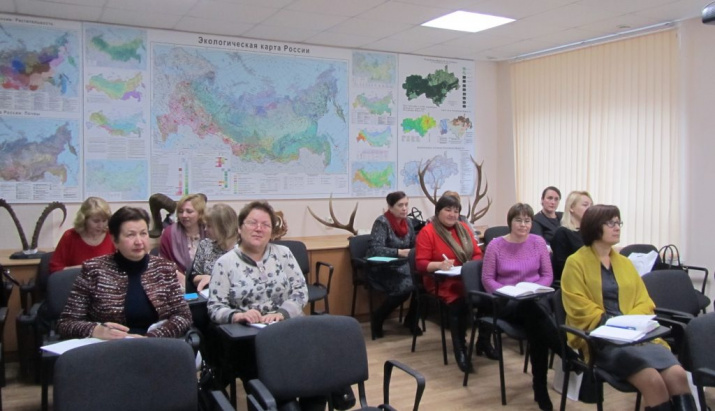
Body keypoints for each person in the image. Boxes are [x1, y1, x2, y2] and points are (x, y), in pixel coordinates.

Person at [561, 205, 696, 411]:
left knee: (678, 375)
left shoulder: (624, 263)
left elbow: (644, 301)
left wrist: (631, 324)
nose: (617, 227)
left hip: (637, 337)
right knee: (652, 380)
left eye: (618, 223)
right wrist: (614, 324)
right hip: (603, 341)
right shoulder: (575, 263)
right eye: (611, 223)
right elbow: (577, 306)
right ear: (594, 226)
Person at [57, 206, 192, 339]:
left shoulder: (164, 268)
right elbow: (66, 323)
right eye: (130, 235)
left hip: (154, 345)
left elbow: (183, 316)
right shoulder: (93, 270)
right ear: (114, 240)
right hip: (108, 346)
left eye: (143, 233)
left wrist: (152, 337)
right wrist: (96, 330)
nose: (139, 241)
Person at [481, 203, 557, 411]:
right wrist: (508, 292)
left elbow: (547, 275)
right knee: (536, 317)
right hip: (506, 302)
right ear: (510, 222)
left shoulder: (538, 242)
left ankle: (540, 387)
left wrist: (533, 289)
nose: (523, 225)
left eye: (527, 221)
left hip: (534, 300)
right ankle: (563, 353)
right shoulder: (495, 245)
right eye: (518, 220)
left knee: (537, 327)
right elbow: (488, 280)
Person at [415, 194, 492, 373]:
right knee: (459, 303)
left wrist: (469, 266)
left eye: (456, 211)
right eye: (448, 210)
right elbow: (420, 263)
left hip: (466, 278)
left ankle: (484, 342)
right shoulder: (428, 232)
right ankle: (461, 350)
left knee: (490, 298)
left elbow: (477, 253)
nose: (452, 214)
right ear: (438, 212)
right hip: (442, 281)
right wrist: (439, 265)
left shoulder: (463, 228)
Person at [366, 191, 417, 338]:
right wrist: (398, 252)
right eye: (400, 205)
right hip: (383, 268)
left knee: (423, 282)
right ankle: (379, 317)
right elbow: (375, 249)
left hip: (404, 267)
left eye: (406, 204)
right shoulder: (382, 222)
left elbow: (414, 245)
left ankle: (411, 320)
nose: (404, 208)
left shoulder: (408, 222)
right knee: (406, 287)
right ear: (390, 207)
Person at [49, 197, 115, 273]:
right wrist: (83, 268)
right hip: (75, 279)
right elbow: (54, 269)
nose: (101, 225)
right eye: (96, 221)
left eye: (104, 220)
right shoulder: (70, 236)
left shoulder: (112, 236)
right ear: (84, 219)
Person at [160, 193, 207, 287]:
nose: (184, 215)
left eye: (189, 211)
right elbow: (163, 264)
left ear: (200, 213)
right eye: (181, 212)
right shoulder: (169, 233)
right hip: (177, 284)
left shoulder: (209, 231)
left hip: (206, 283)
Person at [189, 203, 238, 292]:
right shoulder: (205, 245)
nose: (205, 229)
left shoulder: (245, 249)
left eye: (209, 226)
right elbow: (194, 276)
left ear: (223, 227)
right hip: (207, 295)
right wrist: (206, 278)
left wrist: (216, 279)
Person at [551, 191, 593, 283]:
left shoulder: (592, 233)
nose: (590, 209)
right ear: (571, 208)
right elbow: (561, 266)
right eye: (585, 205)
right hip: (572, 281)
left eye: (591, 205)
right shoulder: (562, 232)